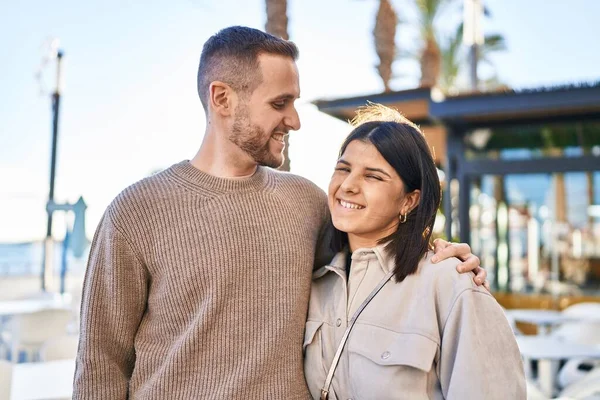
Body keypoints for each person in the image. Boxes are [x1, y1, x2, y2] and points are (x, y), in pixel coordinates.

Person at [73, 26, 486, 399]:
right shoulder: (134, 213)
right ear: (222, 99)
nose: (294, 120)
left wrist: (442, 252)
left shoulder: (307, 203)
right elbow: (99, 367)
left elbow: (373, 254)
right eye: (280, 103)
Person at [303, 104, 525, 400]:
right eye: (343, 169)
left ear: (409, 200)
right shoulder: (315, 281)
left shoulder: (450, 283)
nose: (348, 185)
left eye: (373, 176)